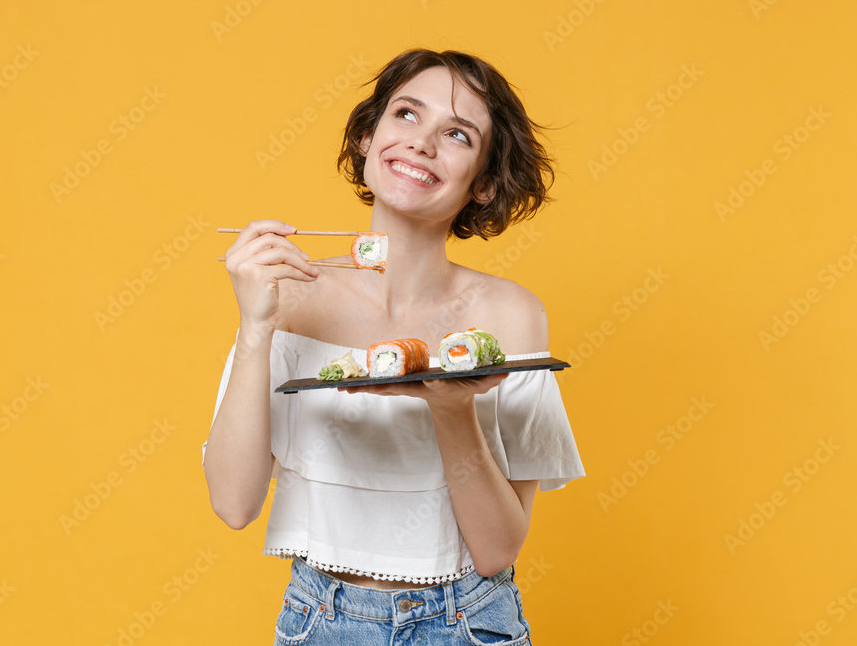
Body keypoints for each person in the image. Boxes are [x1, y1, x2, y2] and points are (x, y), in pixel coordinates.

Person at [204, 48, 584, 644]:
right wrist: (255, 327)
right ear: (365, 137)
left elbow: (496, 551)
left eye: (456, 133)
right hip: (319, 621)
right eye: (406, 114)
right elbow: (233, 504)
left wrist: (453, 407)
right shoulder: (289, 295)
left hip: (468, 622)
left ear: (484, 183)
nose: (421, 143)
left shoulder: (508, 315)